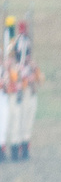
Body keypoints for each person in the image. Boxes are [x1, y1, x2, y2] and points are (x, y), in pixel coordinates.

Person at [0, 18, 37, 163]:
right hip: (14, 95)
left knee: (25, 119)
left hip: (25, 93)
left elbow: (37, 79)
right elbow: (10, 82)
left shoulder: (29, 66)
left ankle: (24, 146)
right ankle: (14, 149)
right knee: (13, 122)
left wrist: (31, 74)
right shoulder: (11, 68)